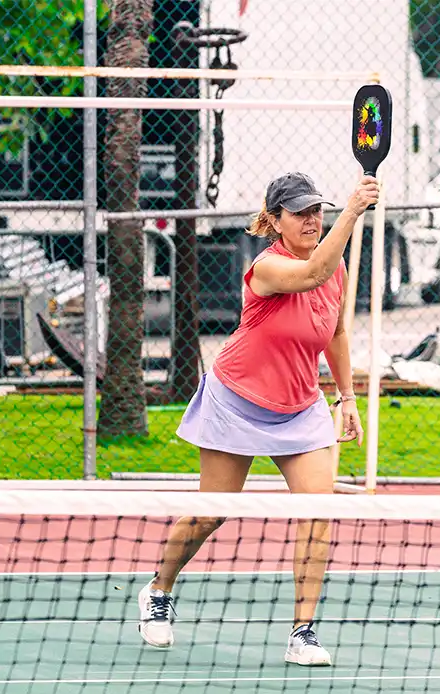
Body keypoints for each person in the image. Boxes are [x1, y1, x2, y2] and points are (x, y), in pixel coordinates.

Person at [137, 171, 379, 666]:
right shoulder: (267, 268)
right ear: (274, 220)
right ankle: (159, 590)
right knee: (212, 512)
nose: (312, 220)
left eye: (318, 211)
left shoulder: (336, 267)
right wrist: (353, 210)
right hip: (237, 400)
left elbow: (335, 332)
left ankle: (303, 632)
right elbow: (311, 274)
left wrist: (347, 396)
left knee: (318, 512)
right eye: (300, 212)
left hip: (301, 407)